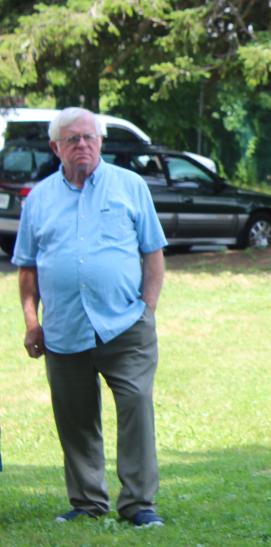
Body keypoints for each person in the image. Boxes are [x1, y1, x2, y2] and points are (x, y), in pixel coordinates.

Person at [13, 107, 167, 528]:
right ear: (55, 147)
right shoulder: (39, 198)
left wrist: (147, 311)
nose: (82, 145)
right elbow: (27, 269)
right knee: (75, 420)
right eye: (72, 139)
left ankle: (139, 504)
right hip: (63, 330)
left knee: (136, 409)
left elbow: (153, 254)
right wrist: (31, 322)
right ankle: (87, 502)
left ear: (100, 141)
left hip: (125, 326)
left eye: (89, 137)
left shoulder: (130, 186)